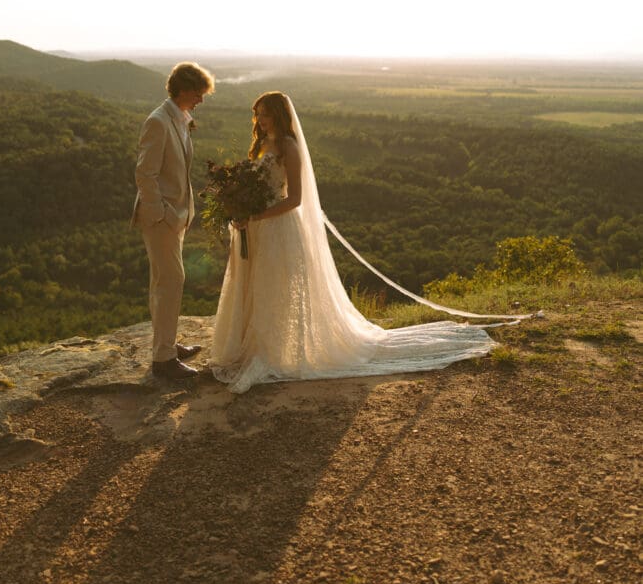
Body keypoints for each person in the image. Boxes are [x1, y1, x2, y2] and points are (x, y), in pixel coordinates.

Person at [211, 92, 498, 394]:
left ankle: (270, 352)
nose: (260, 119)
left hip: (277, 228)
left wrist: (257, 215)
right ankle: (252, 345)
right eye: (257, 113)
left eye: (266, 113)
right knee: (255, 287)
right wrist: (240, 209)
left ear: (280, 114)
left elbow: (295, 199)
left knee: (273, 288)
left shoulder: (289, 147)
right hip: (255, 228)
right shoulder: (260, 144)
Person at [132, 61, 215, 380]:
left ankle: (165, 345)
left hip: (176, 216)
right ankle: (163, 361)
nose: (201, 100)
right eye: (198, 93)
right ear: (182, 90)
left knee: (163, 283)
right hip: (161, 218)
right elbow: (144, 174)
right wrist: (162, 214)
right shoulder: (157, 121)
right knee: (172, 281)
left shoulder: (178, 118)